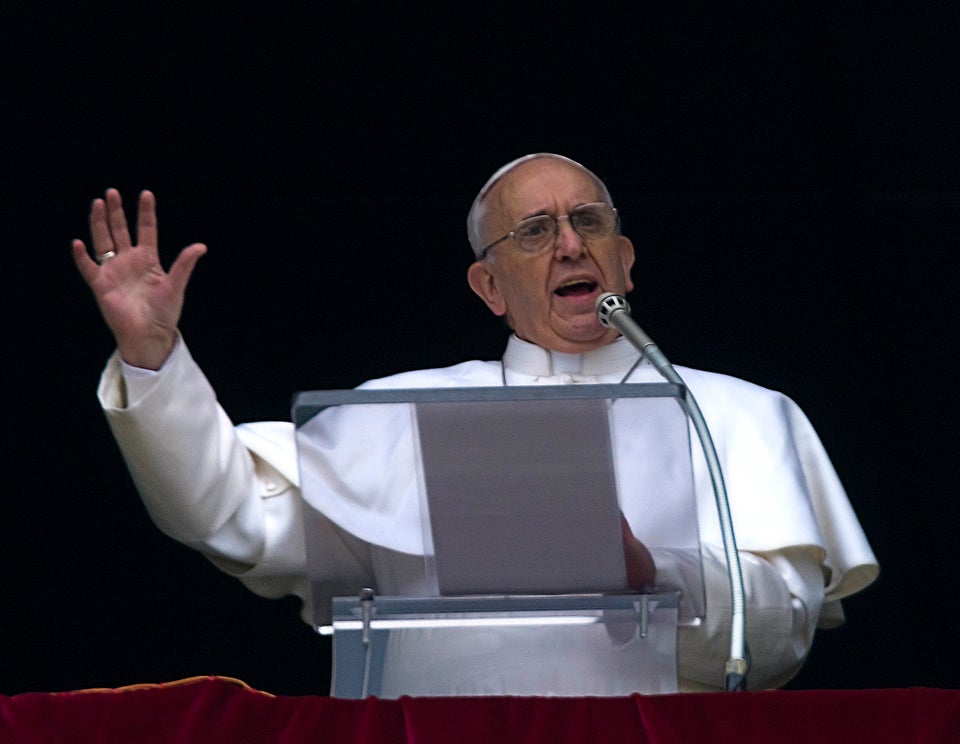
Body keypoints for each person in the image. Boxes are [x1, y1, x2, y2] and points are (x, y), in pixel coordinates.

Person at [72, 153, 879, 693]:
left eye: (589, 222)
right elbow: (228, 515)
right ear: (489, 286)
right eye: (535, 232)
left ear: (626, 258)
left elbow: (783, 634)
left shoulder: (736, 413)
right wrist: (153, 359)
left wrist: (653, 576)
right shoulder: (399, 410)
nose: (569, 244)